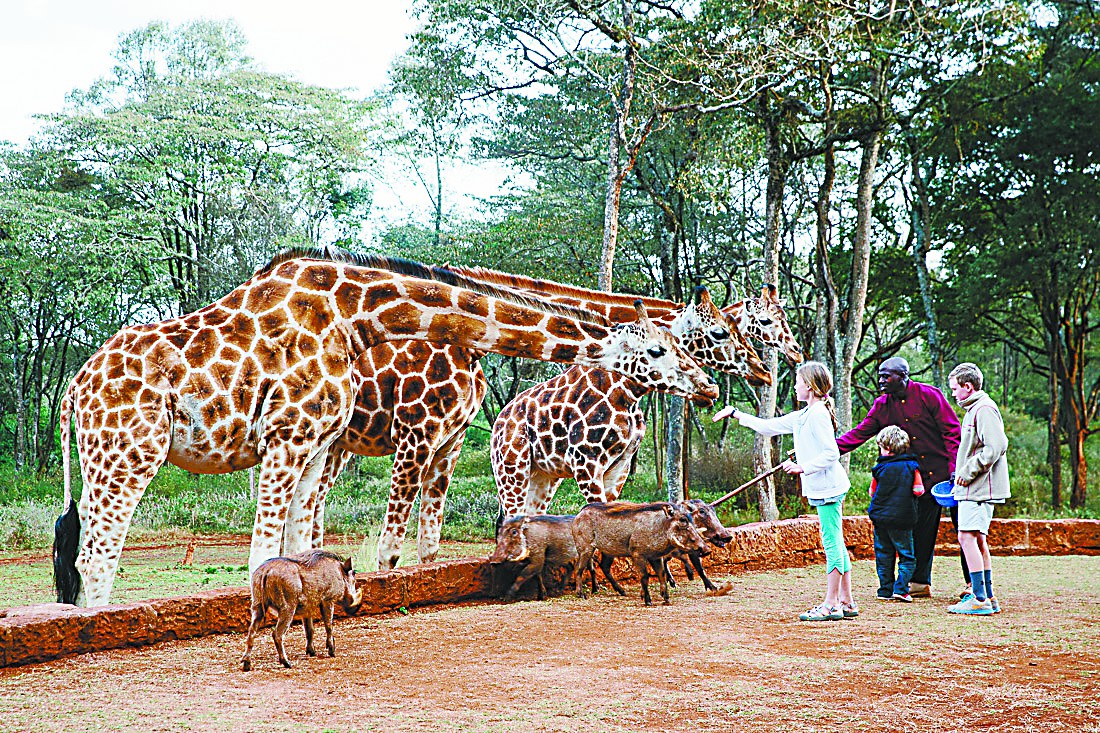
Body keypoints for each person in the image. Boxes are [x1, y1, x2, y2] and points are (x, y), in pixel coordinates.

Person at [713, 361, 855, 621]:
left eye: (799, 382)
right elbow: (769, 426)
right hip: (825, 487)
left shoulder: (818, 414)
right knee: (836, 540)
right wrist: (735, 413)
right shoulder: (805, 414)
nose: (796, 387)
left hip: (828, 488)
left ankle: (832, 603)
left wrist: (803, 468)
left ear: (810, 386)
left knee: (832, 542)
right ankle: (846, 601)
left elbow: (831, 453)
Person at [835, 357, 962, 598]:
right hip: (911, 480)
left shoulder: (929, 395)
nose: (881, 380)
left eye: (887, 376)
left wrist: (955, 468)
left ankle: (973, 585)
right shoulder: (882, 405)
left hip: (942, 476)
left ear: (904, 375)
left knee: (964, 529)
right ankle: (919, 582)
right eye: (880, 375)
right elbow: (859, 433)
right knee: (917, 531)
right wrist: (827, 451)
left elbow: (951, 431)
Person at [946, 363, 1009, 615]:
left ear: (967, 387)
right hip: (975, 487)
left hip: (978, 487)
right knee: (978, 538)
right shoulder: (976, 409)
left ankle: (979, 598)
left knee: (967, 537)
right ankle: (987, 596)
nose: (953, 394)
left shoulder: (983, 409)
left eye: (955, 389)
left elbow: (996, 445)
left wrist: (968, 471)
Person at [868, 426, 924, 602]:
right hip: (903, 518)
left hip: (881, 518)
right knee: (907, 556)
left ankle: (885, 590)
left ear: (888, 448)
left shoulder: (879, 468)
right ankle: (900, 588)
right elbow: (918, 490)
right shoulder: (912, 466)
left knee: (883, 554)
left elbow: (872, 492)